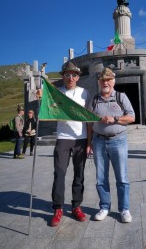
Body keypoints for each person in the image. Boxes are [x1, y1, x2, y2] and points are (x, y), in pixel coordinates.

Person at [87, 68, 135, 223]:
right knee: (101, 177)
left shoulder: (121, 97)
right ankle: (104, 207)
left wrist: (114, 119)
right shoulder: (94, 100)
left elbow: (131, 117)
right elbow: (89, 122)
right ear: (99, 82)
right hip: (98, 141)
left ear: (113, 82)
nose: (105, 82)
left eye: (108, 80)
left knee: (122, 177)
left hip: (118, 140)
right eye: (102, 80)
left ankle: (124, 209)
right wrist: (89, 143)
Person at [50, 61, 90, 227]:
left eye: (74, 74)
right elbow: (49, 110)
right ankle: (58, 208)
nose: (70, 77)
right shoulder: (57, 93)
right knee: (59, 173)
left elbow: (89, 118)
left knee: (79, 174)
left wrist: (89, 142)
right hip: (63, 137)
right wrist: (41, 98)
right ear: (63, 76)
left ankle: (76, 206)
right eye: (67, 74)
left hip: (81, 138)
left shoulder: (85, 93)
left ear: (78, 77)